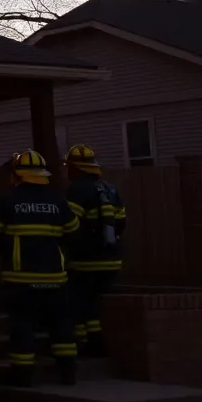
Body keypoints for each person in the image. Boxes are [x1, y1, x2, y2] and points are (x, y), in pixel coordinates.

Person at [0, 149, 81, 387]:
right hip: (55, 278)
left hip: (20, 279)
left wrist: (5, 251)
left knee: (22, 324)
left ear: (18, 175)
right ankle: (68, 373)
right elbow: (74, 232)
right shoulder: (57, 200)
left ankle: (23, 375)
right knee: (61, 325)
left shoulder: (8, 200)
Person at [63, 144, 127, 357]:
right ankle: (100, 342)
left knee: (78, 302)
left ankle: (87, 343)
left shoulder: (76, 190)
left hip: (85, 260)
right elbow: (121, 222)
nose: (67, 171)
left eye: (69, 167)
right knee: (99, 303)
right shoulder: (110, 189)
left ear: (76, 168)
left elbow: (71, 224)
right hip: (112, 259)